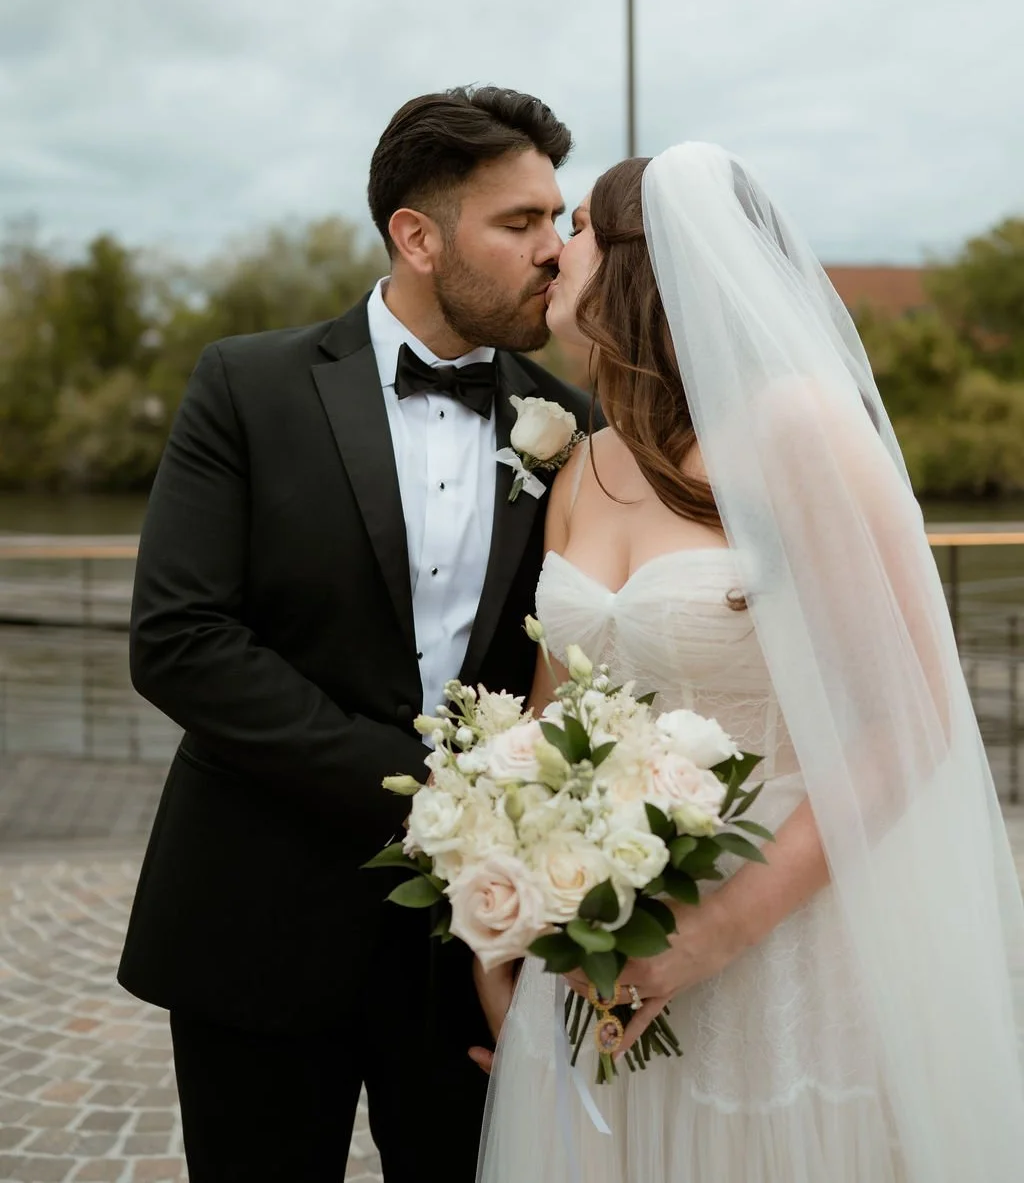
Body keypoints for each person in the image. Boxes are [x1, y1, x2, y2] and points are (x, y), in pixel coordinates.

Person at [474, 144, 1024, 1183]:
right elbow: (550, 722)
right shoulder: (585, 464)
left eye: (579, 227)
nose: (553, 252)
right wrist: (506, 927)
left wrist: (708, 933)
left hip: (785, 947)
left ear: (649, 259)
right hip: (599, 944)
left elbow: (906, 718)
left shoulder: (793, 430)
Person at [116, 85, 591, 1183]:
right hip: (259, 919)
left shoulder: (578, 428)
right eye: (519, 224)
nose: (553, 253)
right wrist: (422, 787)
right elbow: (179, 638)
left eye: (558, 221)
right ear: (416, 237)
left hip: (479, 944)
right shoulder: (246, 385)